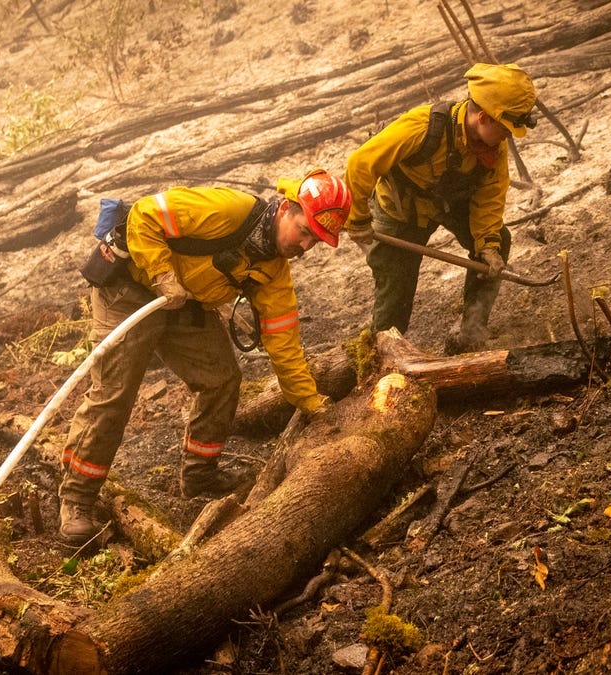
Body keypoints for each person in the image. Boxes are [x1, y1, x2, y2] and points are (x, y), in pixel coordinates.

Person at [58, 169, 352, 545]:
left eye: (316, 240)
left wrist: (312, 404)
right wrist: (162, 272)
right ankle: (77, 501)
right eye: (306, 231)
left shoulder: (273, 273)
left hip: (185, 302)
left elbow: (286, 349)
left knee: (222, 379)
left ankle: (199, 476)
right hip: (130, 289)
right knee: (114, 394)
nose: (306, 246)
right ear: (285, 210)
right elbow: (145, 215)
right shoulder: (229, 210)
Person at [343, 63, 537, 355]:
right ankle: (379, 358)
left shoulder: (491, 146)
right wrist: (357, 219)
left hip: (448, 202)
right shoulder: (420, 127)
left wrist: (487, 244)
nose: (508, 137)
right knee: (395, 291)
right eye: (507, 129)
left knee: (499, 241)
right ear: (484, 117)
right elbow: (360, 164)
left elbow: (490, 195)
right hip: (402, 209)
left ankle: (470, 334)